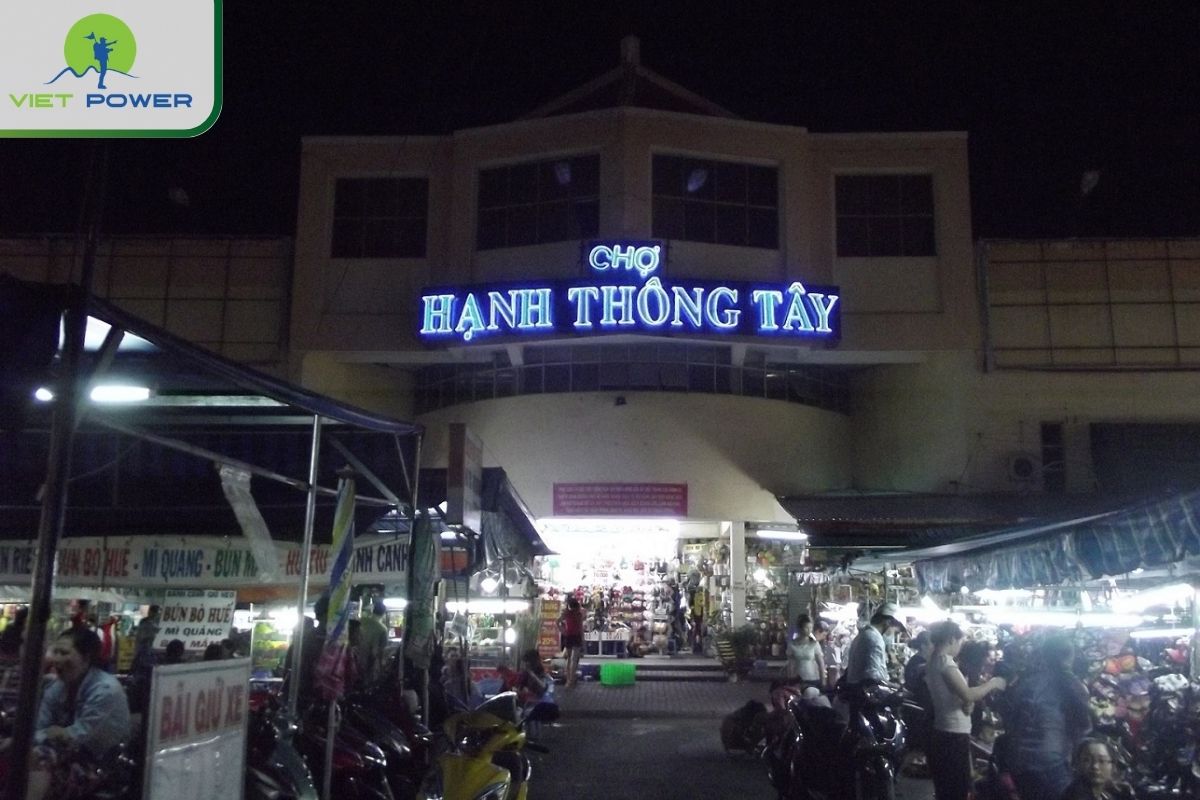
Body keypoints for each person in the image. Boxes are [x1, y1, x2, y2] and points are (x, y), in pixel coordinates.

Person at [25, 628, 132, 800]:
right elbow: (41, 728)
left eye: (64, 653)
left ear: (86, 658)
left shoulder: (106, 690)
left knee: (40, 759)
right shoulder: (55, 688)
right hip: (61, 756)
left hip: (101, 765)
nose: (56, 659)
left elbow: (77, 736)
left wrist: (53, 736)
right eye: (55, 652)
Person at [1001, 634, 1091, 800]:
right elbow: (1083, 729)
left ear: (1043, 656)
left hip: (1020, 765)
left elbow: (1010, 723)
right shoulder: (1075, 686)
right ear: (1071, 656)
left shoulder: (1026, 684)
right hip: (1053, 765)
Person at [924, 621, 1006, 800]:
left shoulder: (933, 660)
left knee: (947, 788)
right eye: (960, 642)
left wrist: (966, 703)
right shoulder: (945, 662)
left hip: (944, 730)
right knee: (956, 789)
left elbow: (956, 697)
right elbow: (968, 694)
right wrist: (993, 683)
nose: (960, 647)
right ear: (952, 639)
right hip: (952, 734)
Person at [844, 601, 906, 687]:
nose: (893, 636)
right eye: (895, 632)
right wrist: (894, 686)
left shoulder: (864, 634)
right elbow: (872, 676)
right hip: (861, 696)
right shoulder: (874, 639)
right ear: (888, 622)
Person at [1060, 739, 1134, 800]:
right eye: (1087, 760)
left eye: (1102, 761)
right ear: (1077, 764)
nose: (1095, 766)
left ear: (1113, 766)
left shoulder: (1110, 792)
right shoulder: (1074, 795)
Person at [785, 614, 825, 689]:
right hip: (797, 680)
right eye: (806, 627)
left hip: (813, 679)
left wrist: (823, 681)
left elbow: (821, 664)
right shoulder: (792, 644)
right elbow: (791, 664)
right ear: (800, 628)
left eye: (811, 627)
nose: (809, 630)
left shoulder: (814, 644)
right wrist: (789, 679)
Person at [358, 598, 389, 686]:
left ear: (373, 610)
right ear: (384, 614)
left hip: (355, 658)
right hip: (370, 661)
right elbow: (382, 651)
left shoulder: (362, 620)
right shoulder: (382, 629)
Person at [559, 595, 584, 688]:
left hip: (568, 636)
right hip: (577, 637)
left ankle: (568, 680)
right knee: (575, 659)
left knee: (569, 659)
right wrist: (583, 641)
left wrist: (562, 630)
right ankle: (571, 679)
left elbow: (557, 622)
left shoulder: (566, 613)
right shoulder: (578, 614)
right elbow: (581, 628)